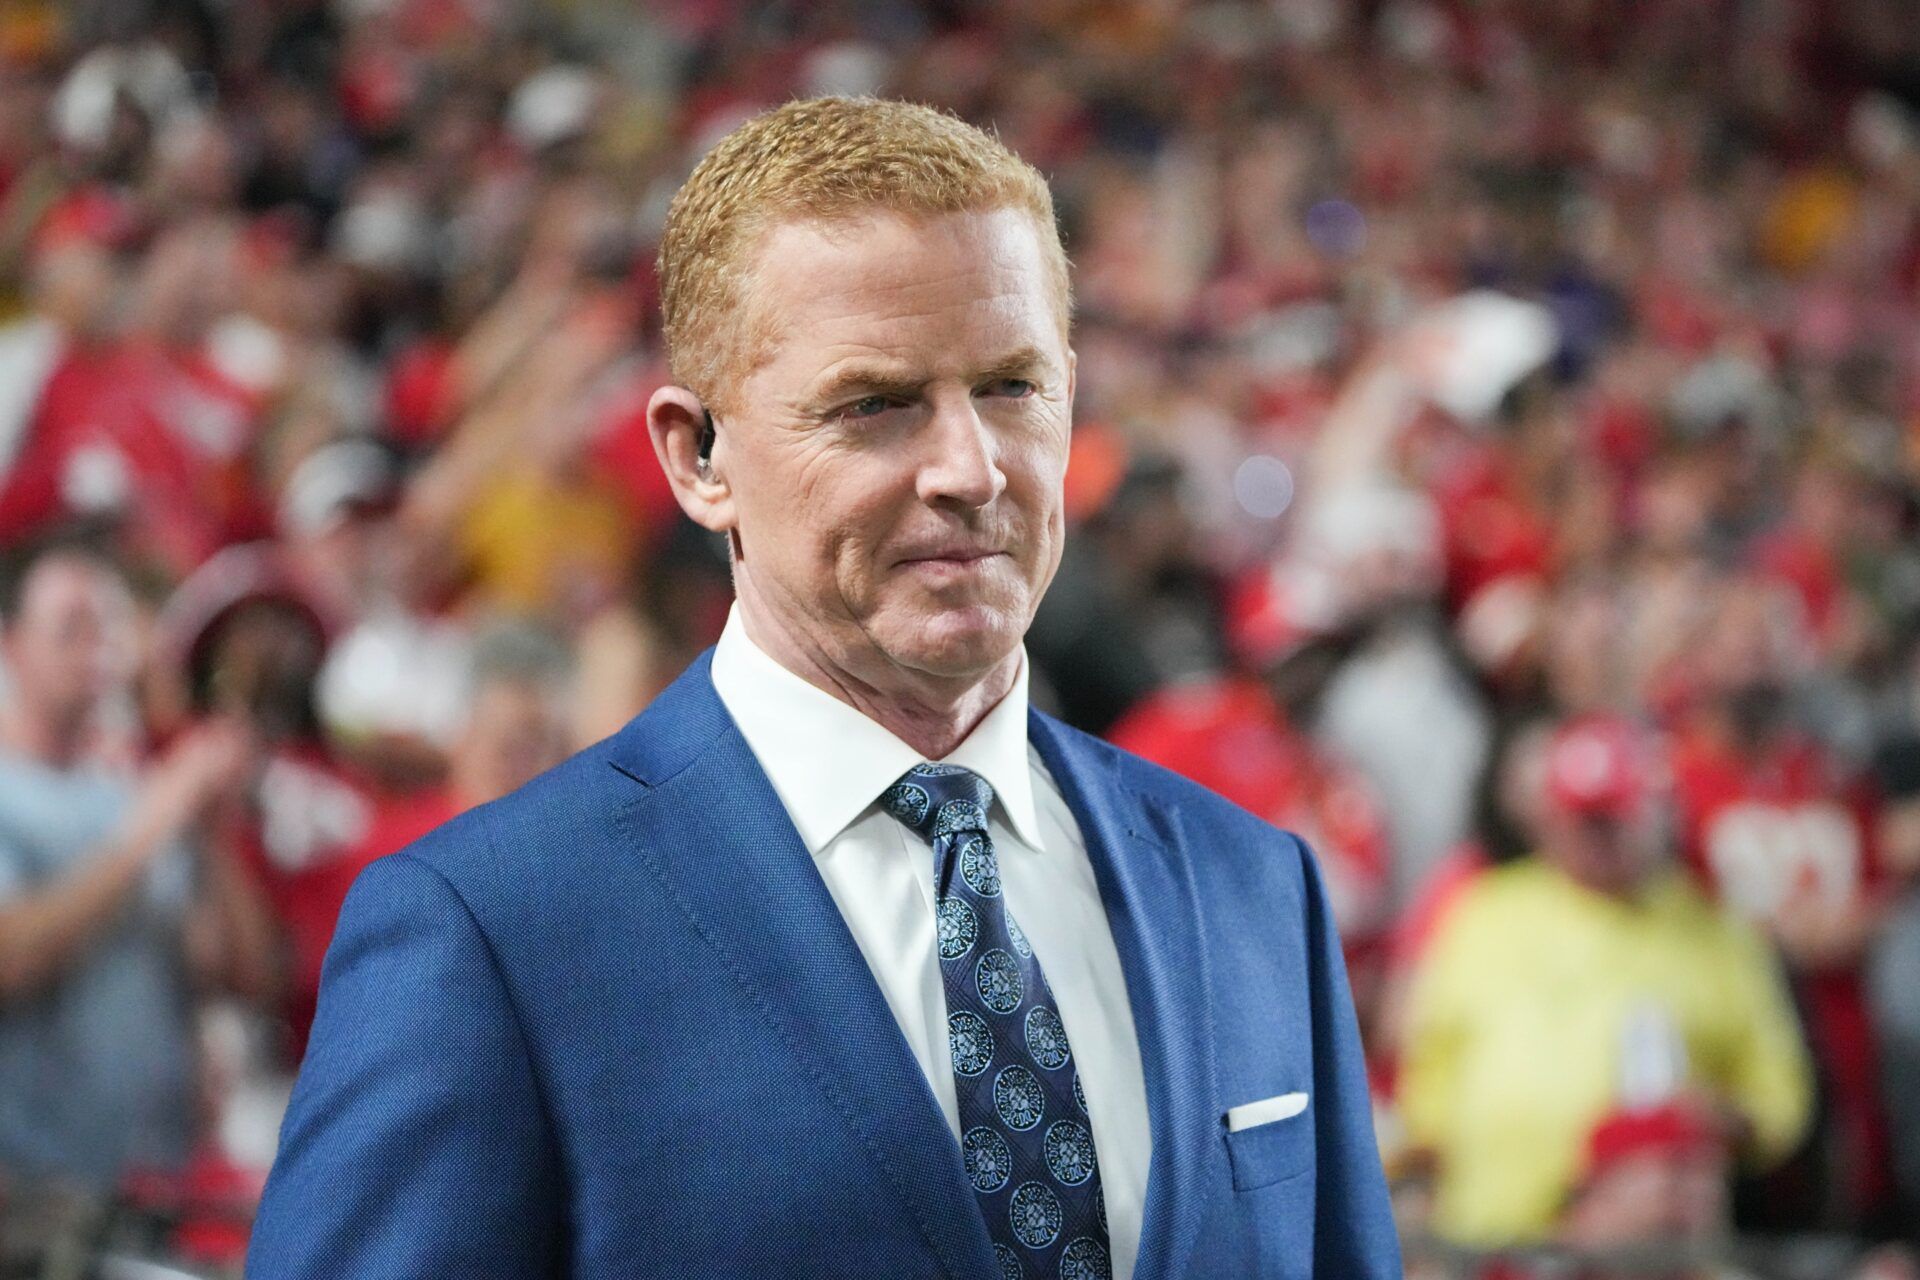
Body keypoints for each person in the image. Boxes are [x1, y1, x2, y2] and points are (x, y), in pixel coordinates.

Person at [247, 97, 1398, 1279]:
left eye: (1012, 386)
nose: (970, 467)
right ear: (699, 458)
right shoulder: (489, 932)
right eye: (876, 404)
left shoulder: (1252, 886)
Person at [1396, 714, 1812, 1248]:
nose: (1597, 838)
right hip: (1491, 1234)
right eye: (1582, 819)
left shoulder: (1714, 929)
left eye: (1613, 818)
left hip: (1646, 1248)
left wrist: (1730, 1120)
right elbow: (1429, 1060)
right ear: (1548, 818)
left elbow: (1780, 1094)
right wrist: (1429, 1155)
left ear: (1652, 814)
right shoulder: (1485, 910)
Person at [0, 535, 273, 1192]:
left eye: (108, 625)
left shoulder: (136, 795)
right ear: (11, 644)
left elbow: (245, 975)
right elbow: (9, 957)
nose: (97, 648)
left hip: (157, 1184)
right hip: (32, 1191)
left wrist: (211, 834)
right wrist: (154, 822)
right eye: (72, 626)